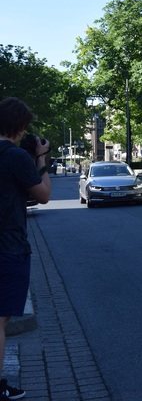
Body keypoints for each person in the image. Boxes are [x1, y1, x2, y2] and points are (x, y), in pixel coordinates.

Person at [0, 97, 51, 401]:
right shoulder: (15, 156)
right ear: (19, 126)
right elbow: (43, 195)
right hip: (8, 248)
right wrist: (41, 160)